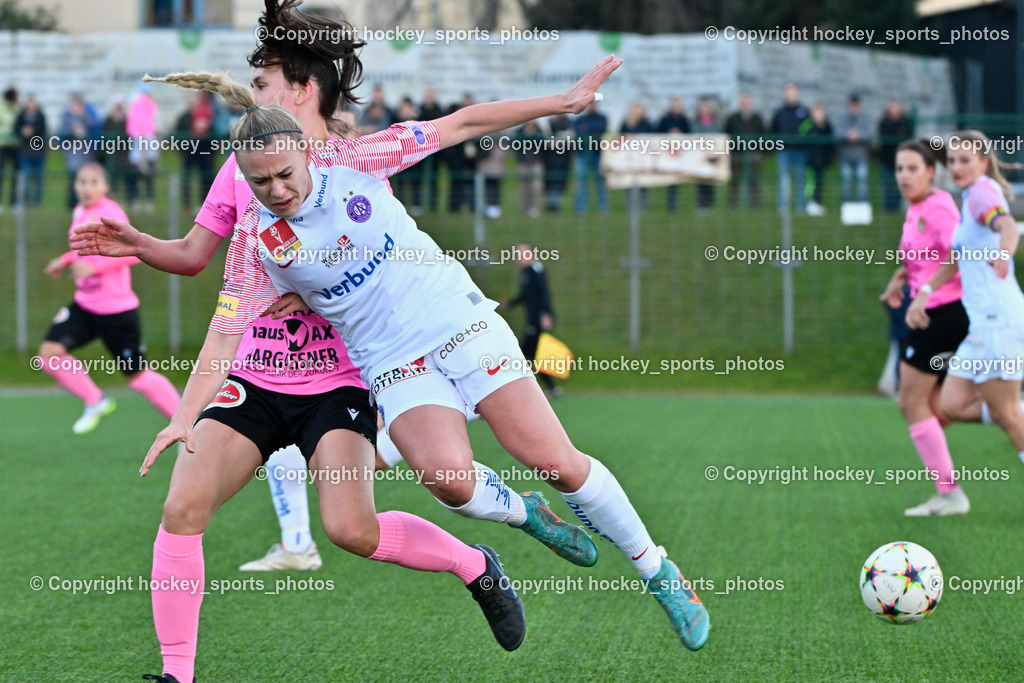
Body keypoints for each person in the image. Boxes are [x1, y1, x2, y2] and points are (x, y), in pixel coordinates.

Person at [136, 54, 709, 652]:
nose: (276, 190)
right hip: (390, 362)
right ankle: (526, 514)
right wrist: (184, 417)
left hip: (456, 321)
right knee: (449, 483)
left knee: (556, 461)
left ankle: (658, 572)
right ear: (244, 179)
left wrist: (559, 103)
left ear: (306, 153)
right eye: (260, 183)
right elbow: (226, 331)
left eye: (285, 173)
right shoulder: (256, 243)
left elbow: (460, 124)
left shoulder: (355, 159)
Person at [72, 0, 589, 580]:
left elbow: (380, 243)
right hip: (264, 358)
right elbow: (195, 257)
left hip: (350, 359)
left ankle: (494, 534)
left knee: (379, 505)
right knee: (264, 489)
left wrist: (309, 284)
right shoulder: (240, 168)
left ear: (300, 89)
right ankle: (291, 554)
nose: (251, 93)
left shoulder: (352, 163)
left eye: (262, 82)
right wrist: (141, 242)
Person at [907, 130, 1024, 495]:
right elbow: (957, 258)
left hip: (997, 319)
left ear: (984, 163)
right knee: (952, 404)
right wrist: (924, 291)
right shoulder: (970, 198)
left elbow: (1006, 225)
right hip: (982, 324)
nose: (956, 167)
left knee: (1006, 415)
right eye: (953, 161)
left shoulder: (983, 194)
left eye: (965, 160)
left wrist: (1003, 254)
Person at [40, 162, 180, 434]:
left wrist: (93, 268)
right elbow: (84, 249)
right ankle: (95, 400)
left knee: (138, 378)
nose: (86, 188)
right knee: (49, 354)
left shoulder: (110, 214)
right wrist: (64, 259)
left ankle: (186, 425)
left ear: (105, 187)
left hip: (117, 311)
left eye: (94, 182)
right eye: (81, 181)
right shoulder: (80, 211)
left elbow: (135, 253)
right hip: (85, 306)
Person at [879, 140, 970, 515]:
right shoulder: (916, 208)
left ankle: (949, 494)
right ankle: (1006, 409)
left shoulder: (938, 207)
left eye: (913, 168)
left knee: (911, 402)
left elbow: (957, 253)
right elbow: (923, 258)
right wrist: (901, 278)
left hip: (941, 314)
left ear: (931, 171)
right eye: (899, 169)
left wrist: (925, 292)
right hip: (930, 311)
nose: (904, 175)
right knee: (935, 406)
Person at [500, 243, 559, 395]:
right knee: (533, 354)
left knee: (522, 352)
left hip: (538, 321)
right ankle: (550, 387)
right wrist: (510, 304)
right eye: (518, 256)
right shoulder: (526, 273)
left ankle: (517, 388)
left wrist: (546, 314)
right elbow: (525, 296)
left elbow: (544, 293)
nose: (519, 259)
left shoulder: (536, 271)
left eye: (523, 255)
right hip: (532, 320)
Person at [723, 91, 765, 209]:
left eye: (747, 101)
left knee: (754, 181)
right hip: (736, 155)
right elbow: (726, 135)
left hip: (753, 155)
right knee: (735, 181)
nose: (745, 104)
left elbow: (764, 136)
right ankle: (733, 205)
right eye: (743, 102)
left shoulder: (757, 119)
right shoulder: (732, 119)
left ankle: (756, 205)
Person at [771, 82, 809, 214]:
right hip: (784, 151)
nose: (790, 94)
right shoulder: (780, 112)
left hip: (800, 151)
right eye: (788, 91)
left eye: (793, 91)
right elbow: (773, 130)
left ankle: (800, 207)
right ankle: (783, 208)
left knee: (800, 179)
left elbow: (809, 128)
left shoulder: (804, 111)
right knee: (783, 179)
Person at [127, 83, 160, 213]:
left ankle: (148, 202)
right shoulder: (136, 102)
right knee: (136, 170)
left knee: (148, 171)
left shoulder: (149, 103)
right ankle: (136, 201)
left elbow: (154, 121)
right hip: (139, 138)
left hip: (147, 137)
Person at [573, 100, 609, 214]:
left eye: (594, 104)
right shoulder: (580, 119)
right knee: (581, 181)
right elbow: (578, 131)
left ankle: (604, 209)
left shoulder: (602, 118)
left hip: (598, 154)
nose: (592, 106)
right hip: (582, 154)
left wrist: (587, 129)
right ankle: (580, 210)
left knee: (600, 182)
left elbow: (601, 128)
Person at [836, 93, 872, 204]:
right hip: (846, 155)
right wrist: (847, 135)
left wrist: (858, 135)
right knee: (846, 181)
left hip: (861, 155)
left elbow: (871, 132)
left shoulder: (865, 117)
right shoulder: (842, 117)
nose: (853, 107)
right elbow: (837, 132)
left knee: (862, 181)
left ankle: (862, 205)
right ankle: (847, 204)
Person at [878, 101, 914, 213]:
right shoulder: (884, 122)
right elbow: (885, 136)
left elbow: (907, 136)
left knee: (900, 182)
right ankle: (888, 207)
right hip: (888, 158)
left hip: (902, 159)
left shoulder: (905, 122)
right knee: (888, 183)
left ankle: (897, 206)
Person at [657, 96, 690, 212]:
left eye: (678, 104)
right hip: (666, 154)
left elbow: (690, 135)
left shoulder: (684, 120)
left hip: (679, 154)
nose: (677, 107)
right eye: (675, 104)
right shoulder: (665, 119)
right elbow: (657, 133)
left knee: (675, 180)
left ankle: (672, 205)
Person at [803, 102, 834, 216]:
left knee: (820, 182)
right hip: (810, 160)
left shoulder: (827, 127)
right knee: (810, 182)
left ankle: (818, 202)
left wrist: (828, 158)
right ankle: (810, 202)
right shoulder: (808, 126)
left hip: (822, 161)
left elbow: (830, 144)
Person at [14, 94, 46, 206]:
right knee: (24, 176)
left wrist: (33, 131)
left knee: (38, 177)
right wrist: (23, 131)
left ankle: (36, 202)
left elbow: (43, 129)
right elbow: (16, 129)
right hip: (24, 151)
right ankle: (23, 200)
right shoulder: (21, 115)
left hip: (38, 151)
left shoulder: (41, 116)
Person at [691, 98, 719, 211]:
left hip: (712, 154)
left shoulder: (715, 125)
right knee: (700, 180)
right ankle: (701, 204)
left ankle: (709, 204)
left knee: (710, 180)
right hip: (700, 155)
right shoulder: (696, 125)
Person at [514, 119, 546, 218]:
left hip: (536, 162)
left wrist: (533, 134)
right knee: (524, 186)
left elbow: (544, 145)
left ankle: (535, 207)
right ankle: (525, 208)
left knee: (537, 186)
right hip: (523, 162)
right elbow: (514, 145)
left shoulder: (539, 130)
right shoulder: (520, 130)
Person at [0, 87, 19, 210]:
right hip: (2, 145)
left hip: (15, 145)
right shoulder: (1, 108)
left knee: (15, 174)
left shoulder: (18, 108)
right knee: (1, 174)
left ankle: (13, 202)